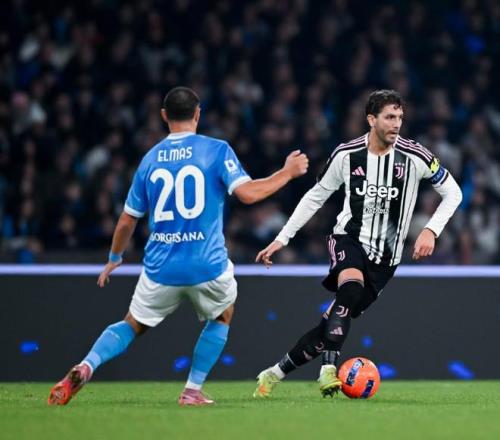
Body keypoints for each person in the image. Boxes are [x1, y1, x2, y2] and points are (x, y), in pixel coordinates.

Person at [48, 86, 309, 406]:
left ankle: (87, 365)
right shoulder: (216, 150)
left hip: (161, 268)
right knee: (223, 314)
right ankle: (192, 390)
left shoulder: (150, 159)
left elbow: (127, 221)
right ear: (198, 114)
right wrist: (286, 173)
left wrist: (114, 257)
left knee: (131, 324)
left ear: (164, 116)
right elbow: (248, 194)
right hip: (206, 265)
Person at [253, 90, 463, 398]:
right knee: (350, 288)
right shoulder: (346, 154)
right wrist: (282, 238)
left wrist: (431, 230)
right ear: (371, 119)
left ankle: (273, 373)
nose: (396, 124)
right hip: (348, 239)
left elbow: (453, 193)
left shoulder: (416, 156)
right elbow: (315, 197)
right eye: (389, 117)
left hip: (385, 260)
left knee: (330, 326)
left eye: (400, 117)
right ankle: (328, 369)